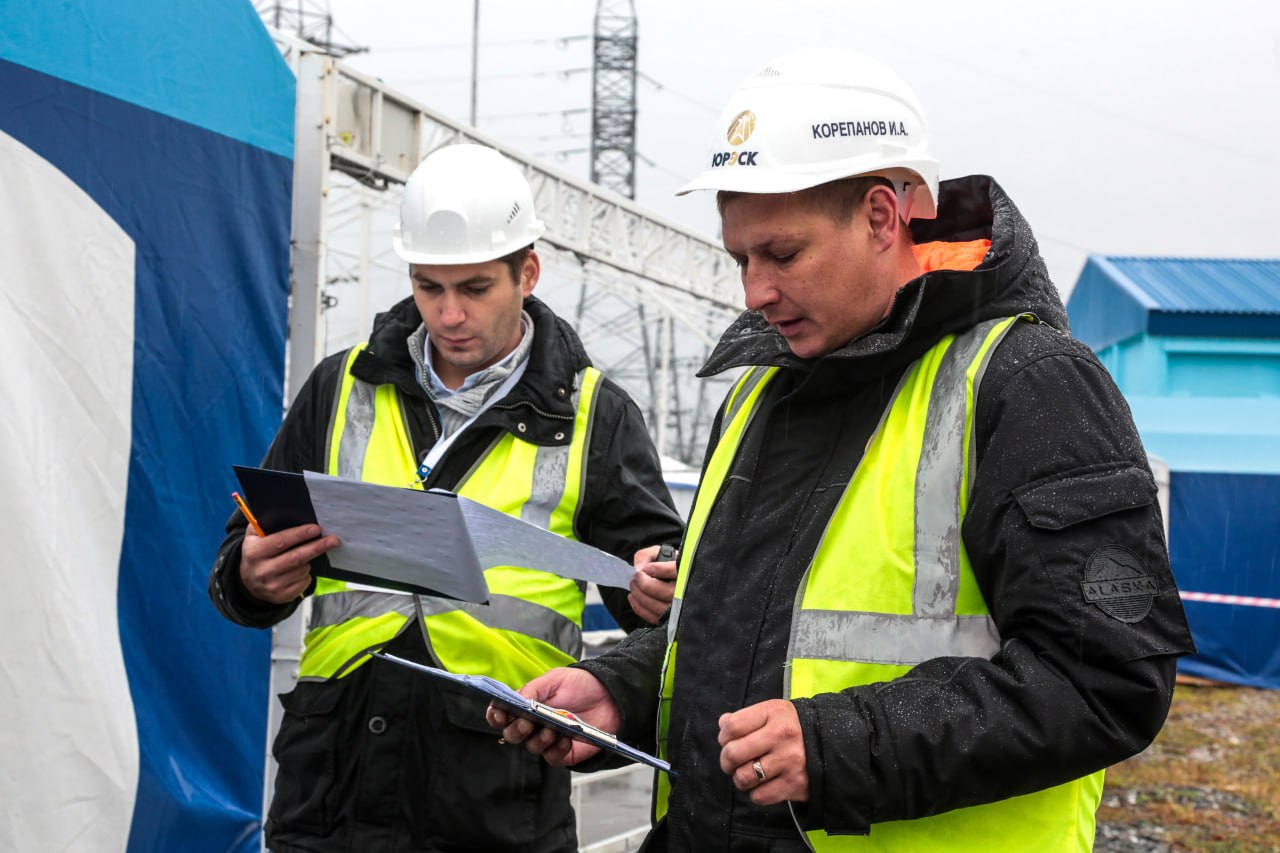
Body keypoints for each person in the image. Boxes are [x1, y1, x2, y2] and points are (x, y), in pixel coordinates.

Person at [490, 48, 1196, 851]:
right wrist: (622, 688)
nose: (754, 292)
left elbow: (1106, 678)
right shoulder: (759, 395)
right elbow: (742, 641)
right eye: (740, 258)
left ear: (882, 217)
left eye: (782, 254)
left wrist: (838, 745)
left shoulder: (1028, 385)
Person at [209, 143, 684, 852]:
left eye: (474, 287)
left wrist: (657, 587)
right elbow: (239, 559)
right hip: (332, 787)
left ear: (528, 272)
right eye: (429, 286)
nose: (448, 313)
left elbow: (659, 604)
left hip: (497, 793)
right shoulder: (339, 387)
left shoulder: (597, 417)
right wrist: (250, 578)